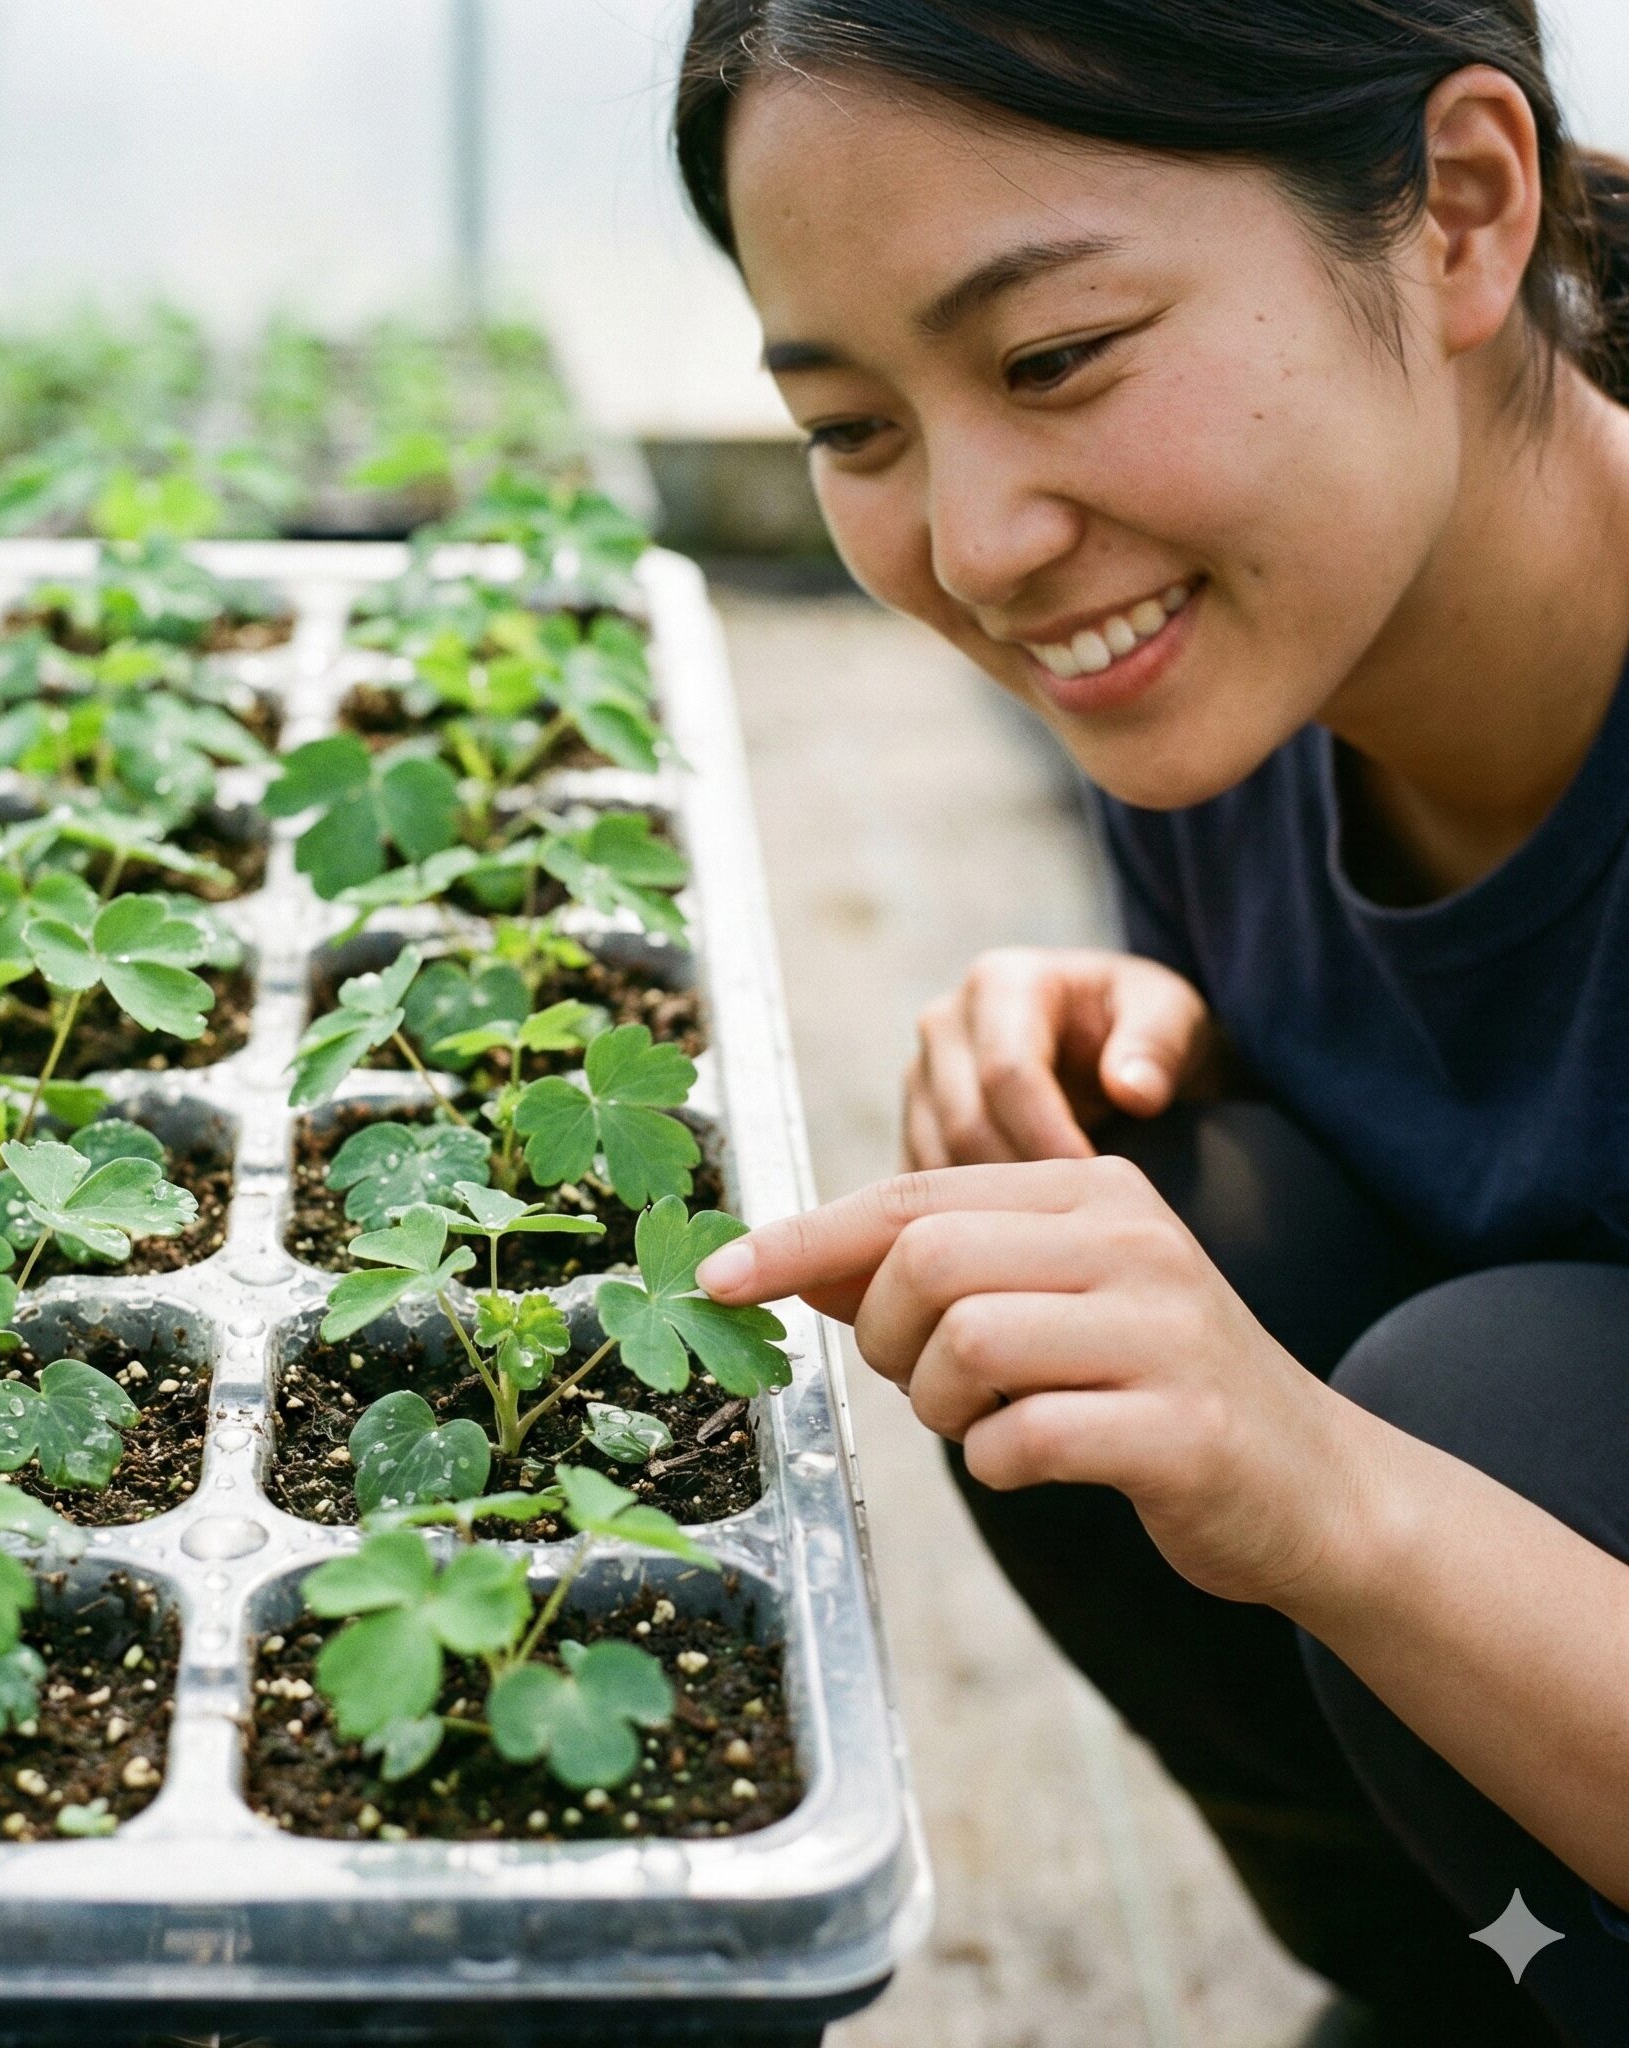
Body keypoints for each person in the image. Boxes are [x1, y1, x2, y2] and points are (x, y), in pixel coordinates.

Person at [672, 4, 1629, 2043]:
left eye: (1049, 359)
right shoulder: (1241, 692)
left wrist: (1333, 1494)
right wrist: (1172, 1036)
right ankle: (1471, 2000)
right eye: (855, 426)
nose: (973, 541)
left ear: (1459, 213)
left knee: (1463, 1404)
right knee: (1108, 1237)